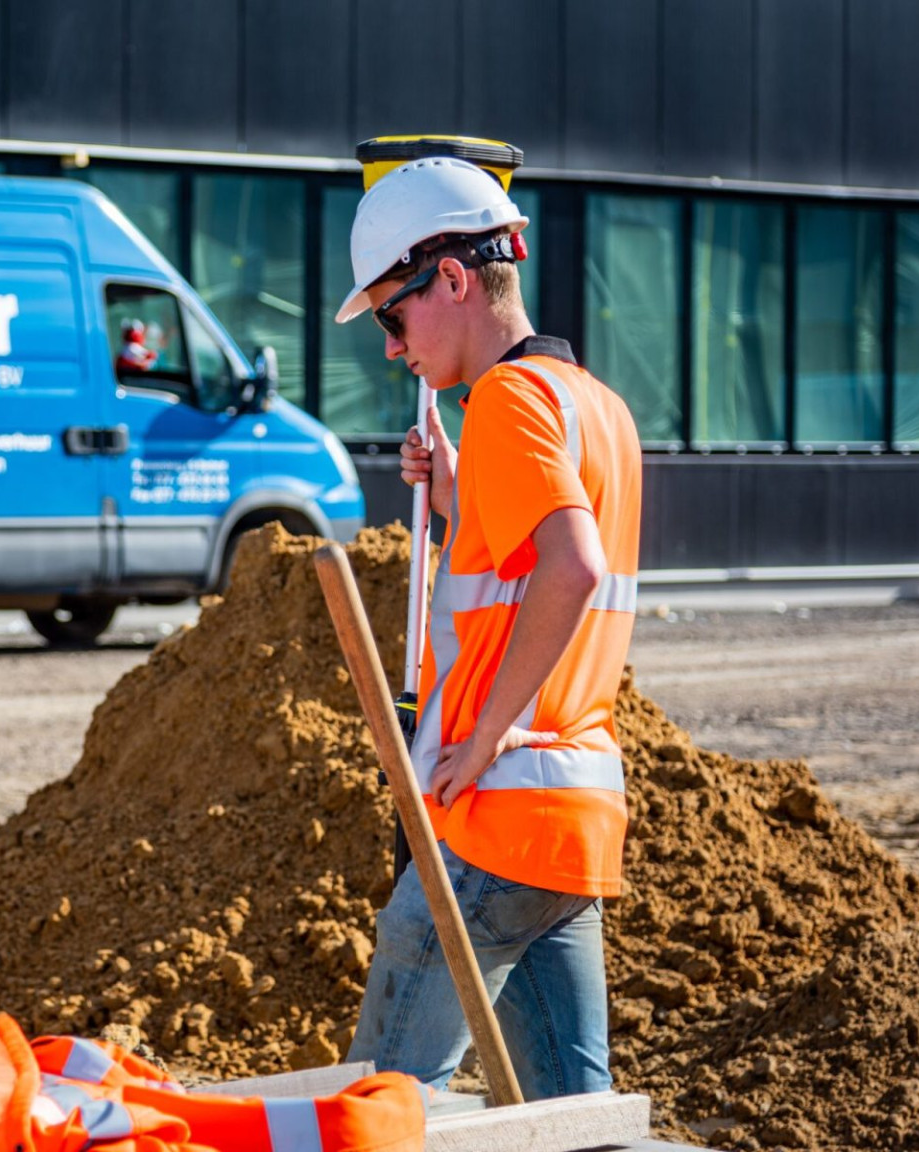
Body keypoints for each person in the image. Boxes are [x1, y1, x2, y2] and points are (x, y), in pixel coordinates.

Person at [333, 158, 642, 1099]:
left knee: (377, 1105)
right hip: (575, 817)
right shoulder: (593, 404)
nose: (391, 347)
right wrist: (460, 489)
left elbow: (571, 567)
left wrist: (491, 730)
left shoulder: (508, 401)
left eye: (392, 315)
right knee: (573, 1114)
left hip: (499, 810)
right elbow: (531, 564)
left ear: (455, 280)